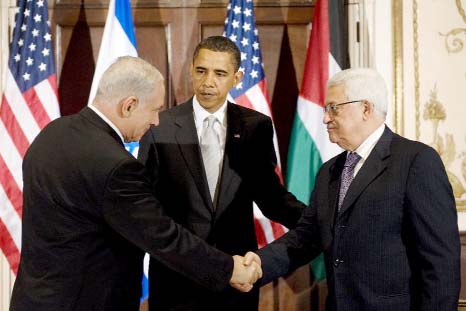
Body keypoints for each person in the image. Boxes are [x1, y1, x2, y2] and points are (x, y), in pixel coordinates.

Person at [10, 56, 261, 311]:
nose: (156, 121)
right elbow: (163, 237)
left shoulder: (52, 133)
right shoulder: (115, 165)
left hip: (33, 300)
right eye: (154, 109)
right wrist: (230, 269)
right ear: (128, 106)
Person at [245, 68, 461, 310]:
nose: (325, 118)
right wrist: (259, 263)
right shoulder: (330, 171)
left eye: (333, 108)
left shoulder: (415, 161)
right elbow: (308, 235)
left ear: (365, 109)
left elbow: (440, 263)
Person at [138, 36, 305, 310]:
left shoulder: (256, 127)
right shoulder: (159, 126)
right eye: (201, 71)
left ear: (237, 78)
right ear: (191, 70)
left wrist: (321, 223)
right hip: (176, 279)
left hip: (235, 278)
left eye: (220, 73)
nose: (208, 82)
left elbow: (272, 199)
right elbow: (146, 206)